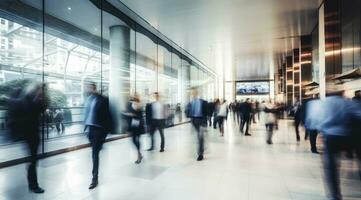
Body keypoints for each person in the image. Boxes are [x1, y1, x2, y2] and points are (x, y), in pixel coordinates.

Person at [316, 91, 361, 200]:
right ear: (341, 94)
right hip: (348, 135)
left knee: (331, 167)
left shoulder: (324, 104)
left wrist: (321, 131)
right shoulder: (347, 102)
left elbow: (317, 120)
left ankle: (335, 195)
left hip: (331, 137)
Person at [6, 82, 47, 193]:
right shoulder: (26, 100)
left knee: (33, 160)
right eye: (39, 91)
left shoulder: (37, 100)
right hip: (29, 134)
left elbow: (43, 109)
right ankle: (33, 185)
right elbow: (27, 112)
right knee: (33, 160)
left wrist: (41, 98)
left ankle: (33, 184)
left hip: (33, 134)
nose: (41, 93)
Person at [84, 83, 113, 190]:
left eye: (90, 87)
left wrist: (104, 135)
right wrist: (85, 128)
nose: (88, 89)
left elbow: (109, 117)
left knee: (95, 153)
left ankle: (94, 178)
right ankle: (99, 145)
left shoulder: (103, 100)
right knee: (95, 152)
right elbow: (86, 114)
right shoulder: (89, 100)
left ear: (94, 88)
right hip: (90, 129)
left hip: (98, 130)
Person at [186, 87, 208, 161]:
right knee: (199, 137)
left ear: (197, 93)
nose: (193, 94)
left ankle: (200, 154)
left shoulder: (203, 102)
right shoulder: (190, 103)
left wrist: (205, 122)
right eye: (192, 93)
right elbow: (188, 113)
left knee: (200, 137)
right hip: (194, 121)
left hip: (201, 121)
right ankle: (202, 147)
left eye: (194, 92)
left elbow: (207, 112)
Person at [124, 94, 144, 164]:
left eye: (136, 96)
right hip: (132, 126)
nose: (134, 97)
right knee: (133, 140)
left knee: (137, 140)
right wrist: (129, 114)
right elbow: (125, 114)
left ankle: (139, 155)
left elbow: (141, 116)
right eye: (133, 96)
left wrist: (134, 115)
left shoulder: (139, 105)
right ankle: (139, 154)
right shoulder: (128, 104)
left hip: (138, 125)